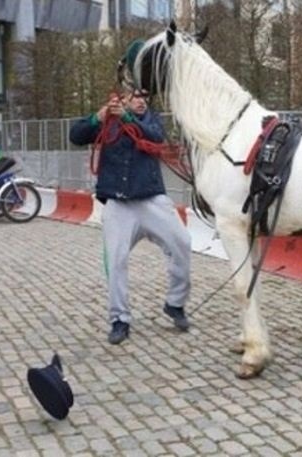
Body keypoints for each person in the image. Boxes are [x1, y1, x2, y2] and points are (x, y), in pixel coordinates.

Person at [69, 86, 191, 345]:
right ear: (123, 98)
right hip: (118, 203)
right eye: (136, 96)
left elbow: (155, 137)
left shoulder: (151, 120)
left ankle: (175, 303)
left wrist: (127, 118)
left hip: (151, 198)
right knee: (115, 261)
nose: (142, 101)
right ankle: (119, 319)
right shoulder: (107, 122)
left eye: (145, 96)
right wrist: (97, 118)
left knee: (182, 243)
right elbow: (76, 136)